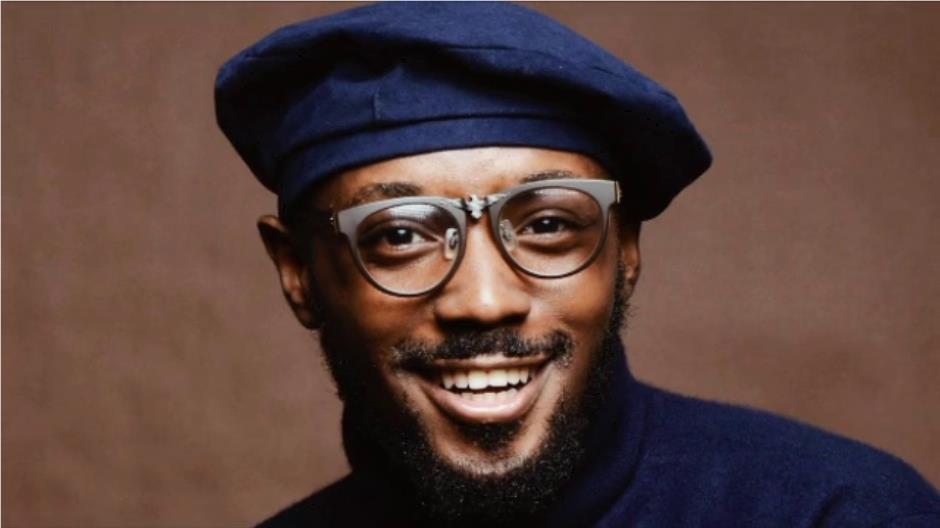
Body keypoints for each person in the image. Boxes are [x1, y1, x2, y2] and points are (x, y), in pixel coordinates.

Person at [215, 3, 940, 526]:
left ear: (626, 251)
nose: (484, 300)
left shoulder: (835, 513)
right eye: (400, 235)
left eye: (548, 225)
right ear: (298, 273)